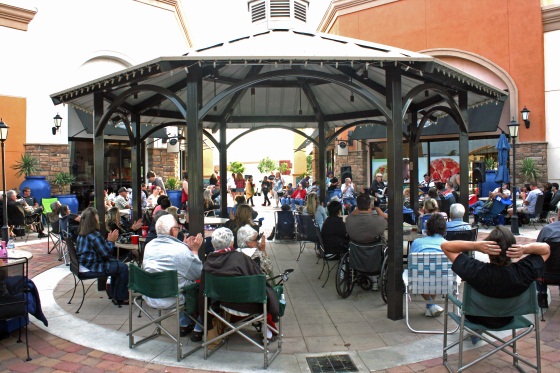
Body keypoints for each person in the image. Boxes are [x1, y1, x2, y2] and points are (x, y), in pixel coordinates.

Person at [441, 226, 549, 333]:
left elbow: (445, 246)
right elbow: (546, 249)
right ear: (514, 247)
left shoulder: (475, 270)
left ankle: (476, 333)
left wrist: (475, 246)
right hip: (508, 317)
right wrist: (525, 249)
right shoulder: (524, 271)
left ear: (486, 249)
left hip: (475, 318)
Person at [200, 227, 280, 343]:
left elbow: (203, 291)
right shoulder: (241, 259)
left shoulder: (209, 263)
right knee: (270, 292)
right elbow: (260, 281)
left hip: (223, 303)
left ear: (212, 243)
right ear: (232, 242)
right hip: (250, 304)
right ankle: (266, 331)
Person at [142, 214, 203, 337]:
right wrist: (194, 251)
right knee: (200, 286)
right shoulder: (180, 250)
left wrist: (185, 247)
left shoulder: (149, 246)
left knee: (179, 278)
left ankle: (184, 324)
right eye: (177, 227)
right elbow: (198, 273)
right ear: (172, 230)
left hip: (149, 293)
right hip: (172, 297)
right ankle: (199, 327)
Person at [75, 207, 129, 305]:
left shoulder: (81, 234)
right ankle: (121, 297)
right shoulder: (94, 235)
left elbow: (101, 251)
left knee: (118, 265)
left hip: (84, 265)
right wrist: (111, 241)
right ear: (93, 220)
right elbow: (106, 254)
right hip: (92, 266)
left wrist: (108, 241)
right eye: (97, 217)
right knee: (123, 268)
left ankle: (115, 295)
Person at [410, 214, 448, 317]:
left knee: (423, 273)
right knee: (436, 272)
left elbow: (411, 265)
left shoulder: (417, 243)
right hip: (444, 281)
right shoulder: (448, 245)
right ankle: (431, 305)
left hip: (419, 282)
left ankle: (430, 305)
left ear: (427, 227)